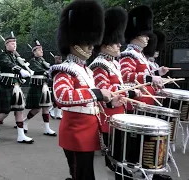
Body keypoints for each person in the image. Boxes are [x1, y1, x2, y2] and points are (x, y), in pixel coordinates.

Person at [49, 1, 123, 179]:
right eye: (87, 43)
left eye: (92, 43)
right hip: (75, 133)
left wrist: (110, 100)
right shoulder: (64, 69)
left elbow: (93, 101)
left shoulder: (86, 70)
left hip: (88, 131)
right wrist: (97, 93)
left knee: (86, 174)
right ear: (74, 44)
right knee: (81, 175)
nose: (92, 47)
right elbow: (62, 97)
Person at [88, 7, 141, 180]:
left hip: (119, 112)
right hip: (108, 115)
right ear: (105, 44)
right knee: (114, 156)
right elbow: (106, 92)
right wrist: (131, 94)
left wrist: (131, 90)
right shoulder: (99, 65)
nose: (120, 44)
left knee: (121, 152)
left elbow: (120, 84)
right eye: (115, 42)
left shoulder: (114, 63)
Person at [119, 5, 165, 113]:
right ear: (136, 35)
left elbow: (144, 73)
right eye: (145, 35)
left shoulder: (140, 55)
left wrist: (157, 73)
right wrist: (150, 79)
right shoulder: (129, 54)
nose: (148, 38)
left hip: (146, 101)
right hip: (136, 103)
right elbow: (125, 75)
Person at [0, 32, 34, 143]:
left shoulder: (16, 57)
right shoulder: (3, 55)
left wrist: (26, 70)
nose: (14, 45)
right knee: (5, 111)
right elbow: (7, 64)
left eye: (15, 43)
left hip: (16, 84)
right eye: (11, 43)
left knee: (19, 109)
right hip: (6, 84)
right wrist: (20, 70)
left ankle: (21, 135)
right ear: (6, 44)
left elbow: (19, 66)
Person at [22, 39, 56, 136]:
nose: (41, 51)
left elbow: (48, 68)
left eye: (41, 49)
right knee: (36, 109)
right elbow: (39, 69)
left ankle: (46, 128)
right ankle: (25, 121)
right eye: (39, 49)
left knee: (46, 107)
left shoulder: (43, 61)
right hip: (36, 86)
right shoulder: (32, 61)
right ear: (34, 52)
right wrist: (48, 71)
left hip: (44, 86)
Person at [49, 55, 63, 120]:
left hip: (61, 84)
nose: (59, 60)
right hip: (55, 84)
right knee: (56, 99)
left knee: (60, 99)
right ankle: (51, 110)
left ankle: (58, 114)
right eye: (58, 59)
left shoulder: (63, 67)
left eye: (60, 59)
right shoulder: (53, 67)